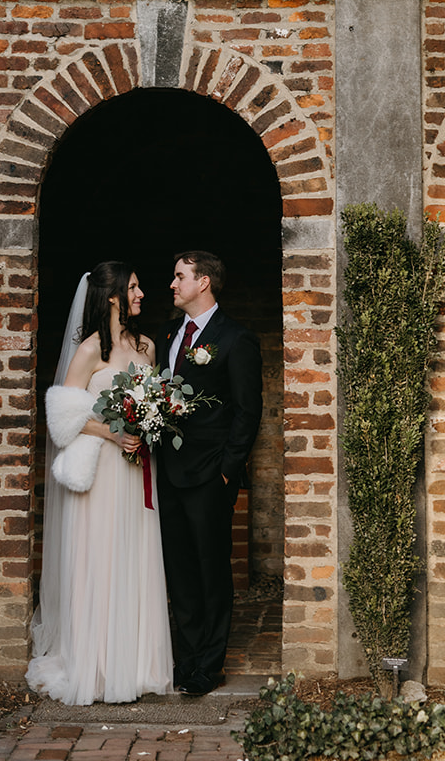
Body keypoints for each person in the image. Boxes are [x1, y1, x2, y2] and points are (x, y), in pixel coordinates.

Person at [26, 262, 173, 705]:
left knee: (136, 556)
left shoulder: (146, 346)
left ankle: (138, 664)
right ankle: (98, 666)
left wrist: (150, 422)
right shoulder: (90, 350)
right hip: (102, 474)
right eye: (134, 287)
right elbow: (64, 418)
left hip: (136, 471)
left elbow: (156, 402)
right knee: (101, 557)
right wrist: (112, 431)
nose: (142, 293)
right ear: (112, 297)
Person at [156, 250, 263, 696]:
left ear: (204, 283)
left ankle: (211, 665)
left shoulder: (235, 338)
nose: (172, 284)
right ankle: (188, 658)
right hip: (168, 471)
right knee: (179, 572)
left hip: (209, 478)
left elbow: (247, 411)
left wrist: (226, 471)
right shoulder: (169, 335)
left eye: (179, 276)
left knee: (212, 570)